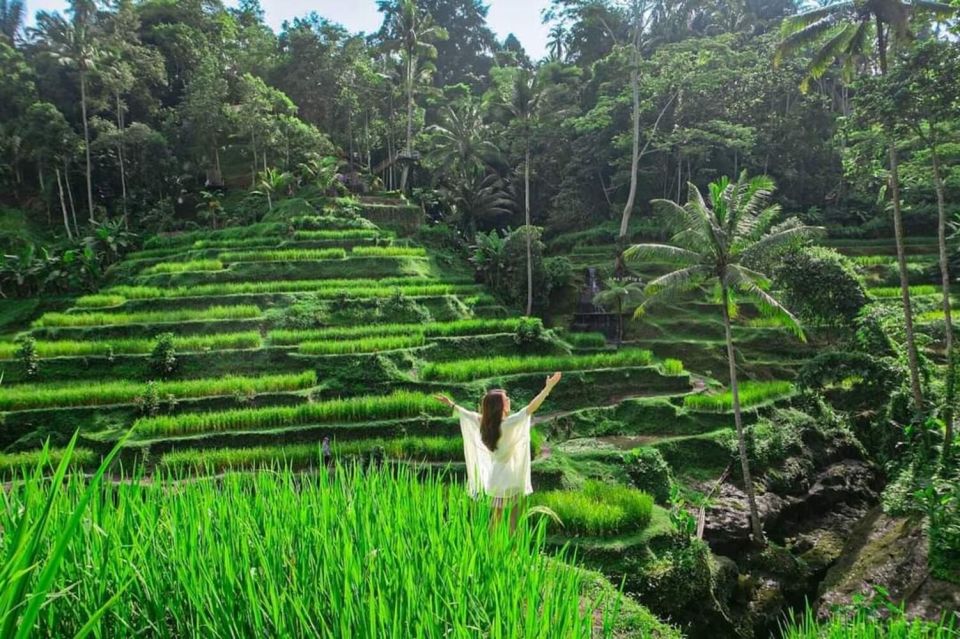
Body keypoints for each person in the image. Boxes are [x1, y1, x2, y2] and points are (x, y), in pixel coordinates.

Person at [435, 372, 562, 531]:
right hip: (512, 477)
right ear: (500, 406)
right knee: (514, 521)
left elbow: (467, 414)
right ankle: (512, 551)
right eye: (505, 399)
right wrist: (547, 388)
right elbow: (531, 407)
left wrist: (451, 404)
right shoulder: (508, 423)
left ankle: (491, 550)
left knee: (495, 521)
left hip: (495, 479)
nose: (509, 400)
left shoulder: (485, 424)